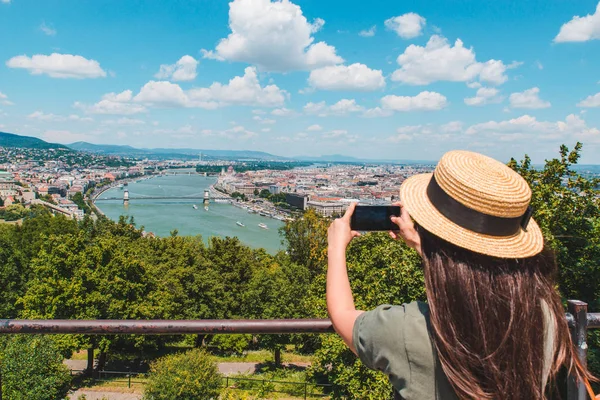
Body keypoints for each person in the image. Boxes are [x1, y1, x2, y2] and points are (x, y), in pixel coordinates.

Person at [326, 150, 594, 399]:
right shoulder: (543, 317)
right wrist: (425, 245)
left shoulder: (408, 330)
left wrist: (336, 247)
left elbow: (343, 316)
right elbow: (474, 272)